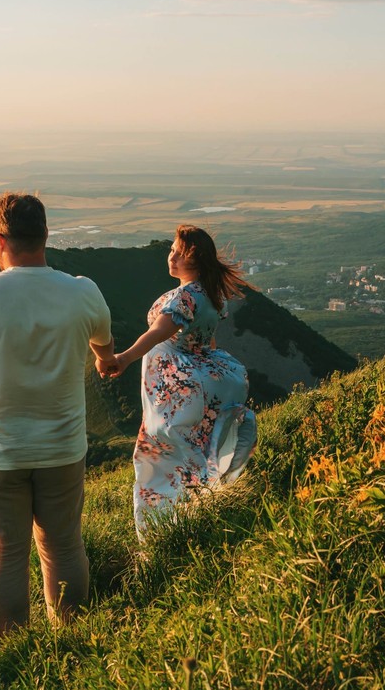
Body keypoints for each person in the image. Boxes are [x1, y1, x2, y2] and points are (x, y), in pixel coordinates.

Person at [0, 192, 115, 650]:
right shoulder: (83, 291)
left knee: (1, 553)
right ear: (46, 236)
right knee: (64, 545)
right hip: (62, 447)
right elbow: (104, 350)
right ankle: (74, 641)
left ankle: (10, 652)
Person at [99, 225, 257, 540]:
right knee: (192, 447)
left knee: (161, 451)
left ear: (194, 258)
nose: (170, 256)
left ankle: (164, 527)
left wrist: (125, 357)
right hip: (199, 374)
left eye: (177, 252)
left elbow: (158, 332)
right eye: (171, 250)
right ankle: (203, 505)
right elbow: (208, 340)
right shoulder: (211, 294)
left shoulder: (185, 295)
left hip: (175, 383)